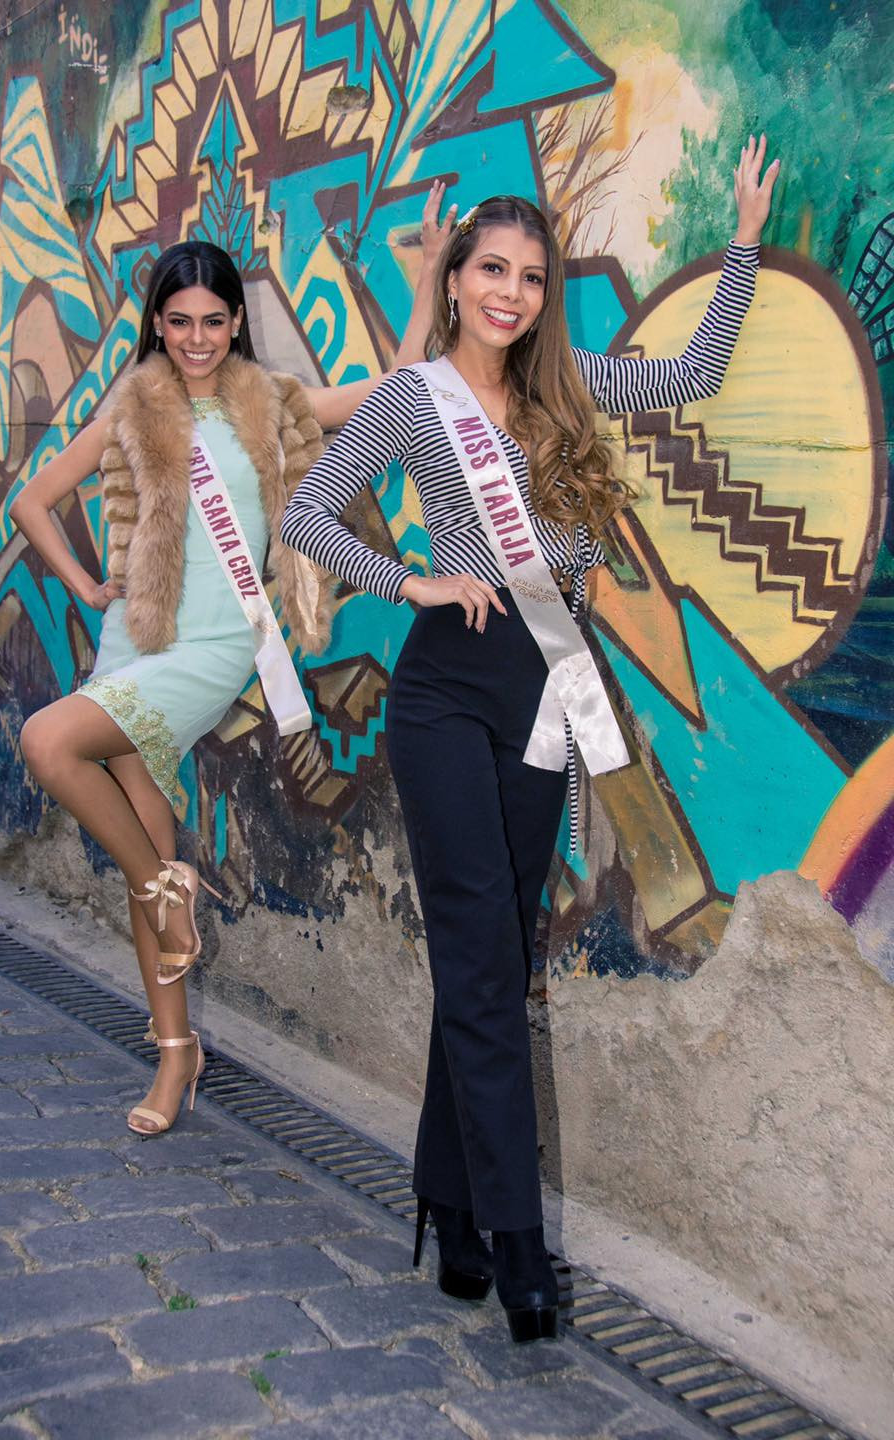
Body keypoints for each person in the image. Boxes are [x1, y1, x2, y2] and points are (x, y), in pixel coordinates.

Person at [281, 137, 779, 1340]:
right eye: (490, 269)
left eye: (530, 277)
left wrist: (746, 234)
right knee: (483, 958)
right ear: (455, 279)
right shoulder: (412, 398)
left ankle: (446, 1204)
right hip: (449, 685)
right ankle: (516, 1243)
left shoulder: (565, 390)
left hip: (549, 687)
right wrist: (407, 582)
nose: (509, 293)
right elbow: (304, 510)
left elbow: (696, 372)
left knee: (497, 948)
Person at [10, 185, 455, 1137]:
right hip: (137, 642)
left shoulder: (273, 406)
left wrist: (423, 288)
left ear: (236, 322)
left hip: (213, 651)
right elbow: (31, 503)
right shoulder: (133, 408)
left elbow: (396, 387)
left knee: (49, 743)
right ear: (159, 326)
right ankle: (176, 1054)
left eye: (214, 321)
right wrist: (88, 584)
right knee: (149, 853)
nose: (199, 338)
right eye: (180, 322)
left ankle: (172, 901)